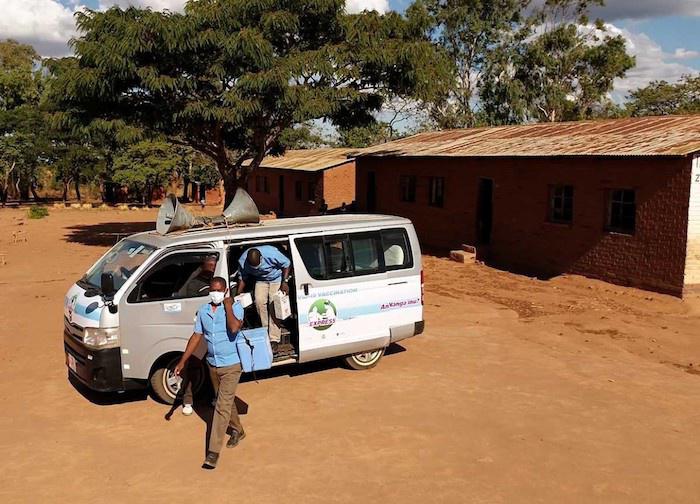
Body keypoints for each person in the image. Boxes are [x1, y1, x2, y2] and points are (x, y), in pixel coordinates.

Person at [174, 276, 246, 470]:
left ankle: (213, 452)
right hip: (212, 364)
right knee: (226, 402)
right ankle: (238, 429)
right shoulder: (204, 311)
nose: (214, 293)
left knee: (221, 407)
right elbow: (197, 336)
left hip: (232, 365)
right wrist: (183, 361)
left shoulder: (236, 308)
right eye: (211, 290)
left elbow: (233, 327)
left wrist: (229, 306)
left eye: (218, 290)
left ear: (224, 292)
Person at [175, 254, 218, 415]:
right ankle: (187, 400)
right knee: (192, 365)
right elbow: (196, 334)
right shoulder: (195, 284)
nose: (213, 266)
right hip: (203, 338)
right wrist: (183, 360)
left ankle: (216, 399)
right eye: (210, 263)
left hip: (217, 341)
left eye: (215, 263)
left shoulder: (225, 301)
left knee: (216, 370)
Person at [237, 246, 291, 353]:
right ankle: (265, 331)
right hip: (261, 280)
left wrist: (284, 282)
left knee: (274, 306)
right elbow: (242, 277)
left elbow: (287, 264)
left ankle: (274, 338)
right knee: (259, 302)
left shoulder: (271, 253)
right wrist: (239, 292)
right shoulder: (243, 261)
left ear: (261, 258)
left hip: (276, 278)